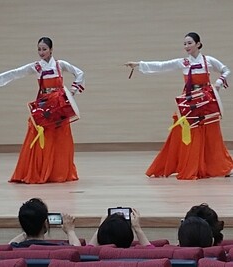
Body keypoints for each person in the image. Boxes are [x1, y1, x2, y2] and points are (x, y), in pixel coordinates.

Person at [125, 32, 233, 180]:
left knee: (212, 133)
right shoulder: (183, 62)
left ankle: (221, 166)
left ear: (198, 44)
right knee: (183, 131)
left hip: (206, 100)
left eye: (189, 43)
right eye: (185, 44)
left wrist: (219, 83)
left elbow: (226, 70)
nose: (186, 46)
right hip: (189, 101)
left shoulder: (208, 60)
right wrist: (138, 64)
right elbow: (162, 65)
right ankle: (186, 164)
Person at [0, 37, 85, 184]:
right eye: (39, 49)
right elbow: (17, 72)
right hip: (44, 105)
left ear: (51, 50)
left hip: (59, 105)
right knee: (39, 133)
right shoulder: (37, 66)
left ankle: (58, 172)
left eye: (44, 49)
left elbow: (80, 73)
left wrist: (73, 90)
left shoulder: (60, 64)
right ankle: (39, 170)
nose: (41, 52)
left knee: (60, 136)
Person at [9, 197, 81, 247]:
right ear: (45, 223)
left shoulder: (15, 248)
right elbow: (78, 250)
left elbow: (8, 246)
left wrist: (28, 228)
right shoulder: (59, 248)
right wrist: (70, 231)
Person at [88, 208, 154, 248]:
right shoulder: (139, 255)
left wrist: (100, 227)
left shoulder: (91, 256)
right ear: (130, 237)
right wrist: (137, 228)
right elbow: (152, 252)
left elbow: (88, 249)